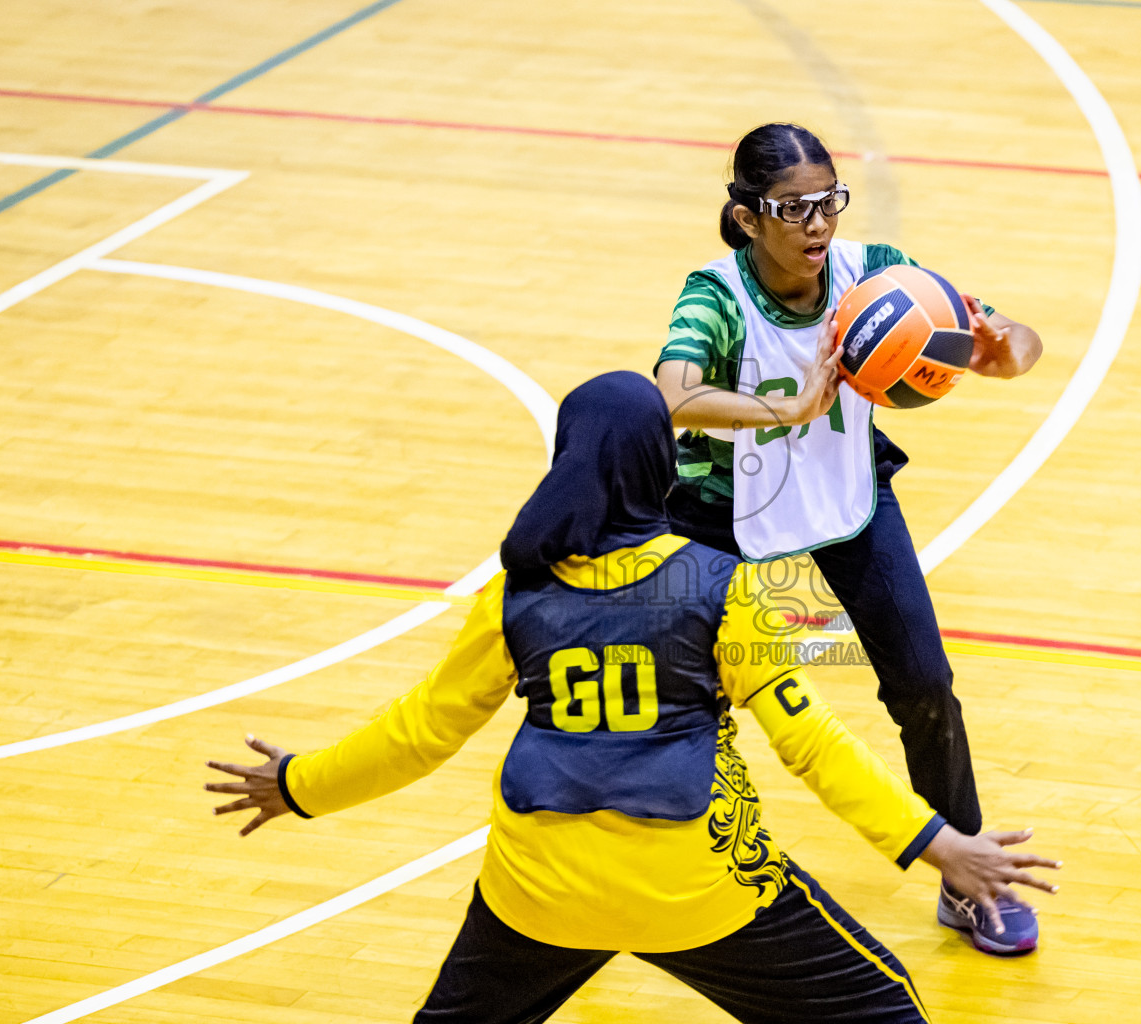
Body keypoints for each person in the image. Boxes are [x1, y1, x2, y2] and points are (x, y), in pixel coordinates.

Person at [205, 372, 1059, 1024]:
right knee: (892, 1004)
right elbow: (813, 744)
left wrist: (297, 785)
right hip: (696, 888)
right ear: (661, 458)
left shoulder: (513, 593)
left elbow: (421, 731)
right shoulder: (724, 586)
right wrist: (937, 843)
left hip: (537, 890)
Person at [653, 123, 1045, 955]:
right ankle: (632, 869)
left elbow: (1016, 341)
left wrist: (1005, 351)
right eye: (793, 209)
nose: (817, 225)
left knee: (925, 684)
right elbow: (674, 394)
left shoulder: (882, 278)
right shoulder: (715, 296)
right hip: (720, 512)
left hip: (846, 498)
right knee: (672, 702)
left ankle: (964, 875)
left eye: (827, 202)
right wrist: (785, 410)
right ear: (749, 217)